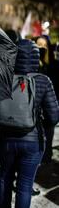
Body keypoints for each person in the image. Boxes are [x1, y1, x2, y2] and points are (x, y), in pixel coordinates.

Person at [0, 39, 59, 208]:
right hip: (32, 141)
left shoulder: (3, 79)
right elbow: (54, 116)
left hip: (6, 140)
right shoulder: (43, 81)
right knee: (24, 184)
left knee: (4, 178)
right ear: (35, 58)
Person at [34, 35, 59, 163]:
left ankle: (46, 156)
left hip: (49, 105)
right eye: (38, 45)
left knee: (48, 134)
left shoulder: (53, 65)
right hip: (36, 106)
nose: (41, 48)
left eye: (44, 45)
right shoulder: (33, 64)